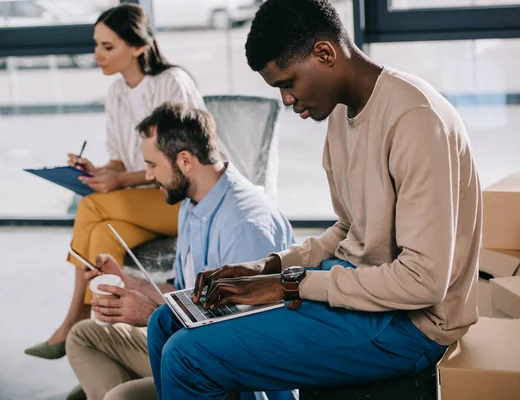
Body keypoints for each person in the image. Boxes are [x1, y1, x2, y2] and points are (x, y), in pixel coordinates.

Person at [147, 1, 482, 399]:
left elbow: (423, 282)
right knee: (166, 322)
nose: (287, 100)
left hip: (410, 326)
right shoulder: (343, 114)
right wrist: (269, 266)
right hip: (359, 291)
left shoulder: (415, 121)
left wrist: (290, 285)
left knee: (188, 356)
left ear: (325, 54)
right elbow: (349, 228)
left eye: (288, 83)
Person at [65, 102, 296, 400]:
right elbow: (185, 293)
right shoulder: (190, 203)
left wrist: (152, 315)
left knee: (118, 397)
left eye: (152, 165)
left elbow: (243, 343)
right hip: (189, 346)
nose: (148, 176)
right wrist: (128, 281)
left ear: (185, 161)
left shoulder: (245, 226)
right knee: (84, 336)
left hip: (232, 376)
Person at [25, 4, 206, 359]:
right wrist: (98, 171)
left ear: (138, 46)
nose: (97, 54)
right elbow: (121, 162)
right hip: (144, 203)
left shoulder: (172, 83)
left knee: (90, 205)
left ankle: (74, 319)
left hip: (184, 201)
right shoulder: (117, 93)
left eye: (108, 47)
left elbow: (185, 164)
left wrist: (120, 178)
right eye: (97, 45)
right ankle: (106, 349)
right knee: (101, 235)